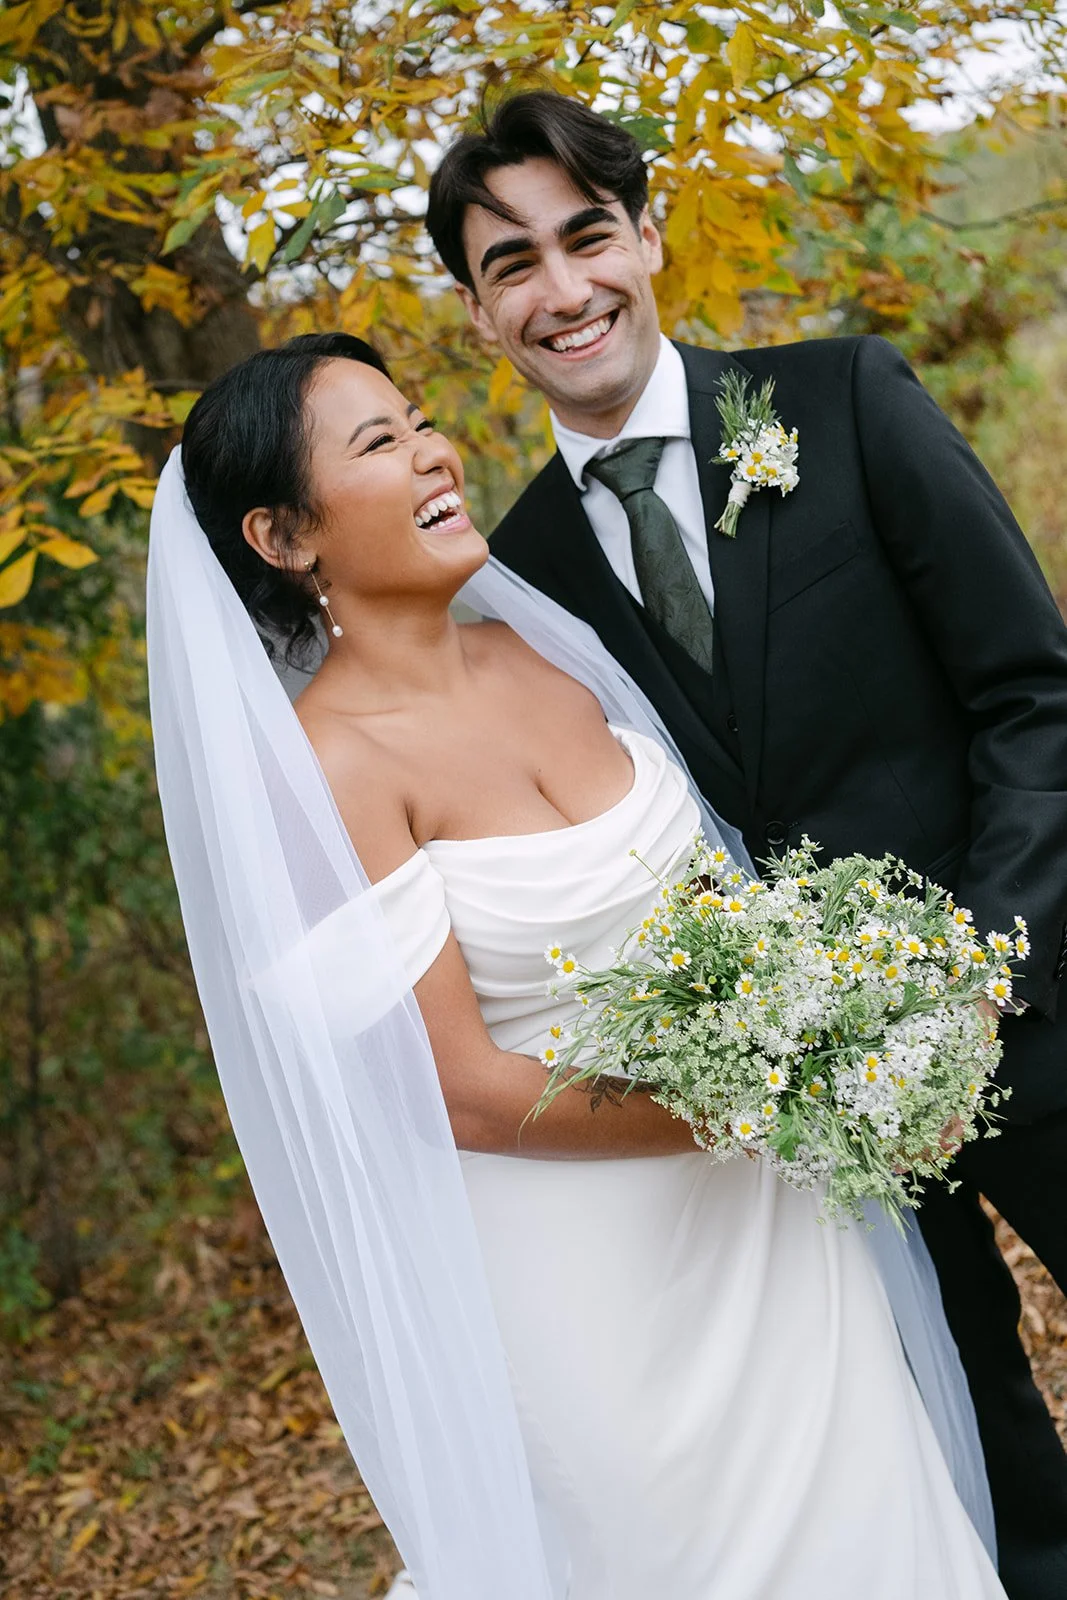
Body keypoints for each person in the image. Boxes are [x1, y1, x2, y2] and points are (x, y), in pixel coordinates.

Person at [155, 329, 1009, 1598]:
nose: (434, 451)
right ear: (284, 538)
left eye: (420, 419)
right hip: (595, 1298)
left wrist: (832, 1026)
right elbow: (457, 1088)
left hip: (777, 1230)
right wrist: (768, 1096)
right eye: (378, 443)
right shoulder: (325, 772)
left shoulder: (539, 645)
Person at [424, 88, 1067, 1600]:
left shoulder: (838, 401)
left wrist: (981, 974)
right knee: (974, 1450)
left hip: (1029, 1019)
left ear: (648, 238)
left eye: (587, 236)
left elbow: (1031, 698)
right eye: (510, 263)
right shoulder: (512, 574)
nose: (562, 287)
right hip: (811, 1124)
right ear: (474, 313)